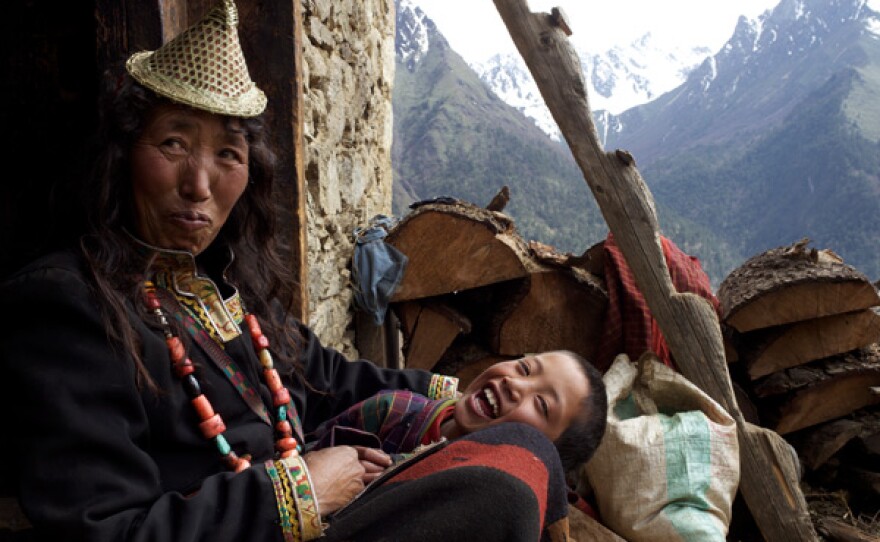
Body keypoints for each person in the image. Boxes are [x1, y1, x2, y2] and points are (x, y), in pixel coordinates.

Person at [0, 1, 576, 540]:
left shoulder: (225, 289)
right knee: (502, 497)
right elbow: (105, 528)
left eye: (227, 154)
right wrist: (301, 489)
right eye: (174, 144)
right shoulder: (68, 306)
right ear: (124, 153)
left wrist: (459, 398)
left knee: (528, 452)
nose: (199, 185)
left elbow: (329, 379)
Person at [307, 351, 608, 474]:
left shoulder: (486, 508)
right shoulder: (394, 411)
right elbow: (306, 458)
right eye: (525, 368)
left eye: (541, 405)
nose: (513, 383)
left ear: (543, 456)